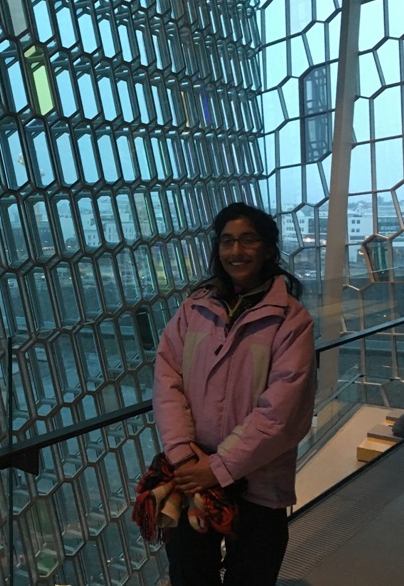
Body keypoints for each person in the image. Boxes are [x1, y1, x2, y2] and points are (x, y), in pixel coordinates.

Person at [152, 202, 316, 586]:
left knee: (252, 576)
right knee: (190, 574)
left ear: (268, 249)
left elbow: (281, 412)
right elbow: (166, 380)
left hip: (259, 482)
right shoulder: (194, 309)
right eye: (227, 241)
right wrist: (182, 454)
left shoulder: (291, 321)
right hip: (193, 475)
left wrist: (219, 467)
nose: (235, 252)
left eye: (247, 240)